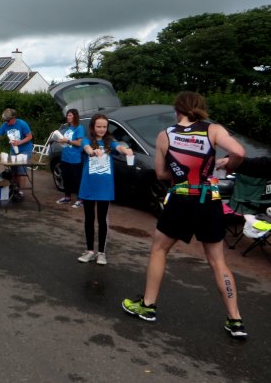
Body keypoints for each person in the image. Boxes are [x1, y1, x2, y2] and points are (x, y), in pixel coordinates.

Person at [122, 91, 248, 339]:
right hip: (208, 198)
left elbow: (160, 174)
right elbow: (240, 153)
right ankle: (236, 320)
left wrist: (179, 172)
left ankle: (148, 306)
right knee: (218, 261)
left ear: (176, 110)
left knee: (159, 249)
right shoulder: (213, 130)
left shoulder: (165, 135)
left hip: (181, 197)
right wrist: (226, 164)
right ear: (201, 108)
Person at [77, 113, 133, 265]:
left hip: (105, 187)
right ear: (93, 127)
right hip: (88, 185)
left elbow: (119, 147)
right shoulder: (87, 140)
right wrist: (93, 151)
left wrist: (126, 150)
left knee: (102, 220)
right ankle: (89, 251)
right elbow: (87, 148)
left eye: (104, 126)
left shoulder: (110, 142)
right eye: (98, 126)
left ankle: (101, 252)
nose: (101, 129)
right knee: (89, 219)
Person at [0, 108, 33, 194]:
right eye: (5, 121)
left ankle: (20, 192)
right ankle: (14, 188)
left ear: (13, 118)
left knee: (21, 171)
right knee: (13, 171)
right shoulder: (5, 125)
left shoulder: (22, 124)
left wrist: (19, 142)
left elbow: (29, 137)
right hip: (13, 150)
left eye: (8, 121)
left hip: (25, 150)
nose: (7, 122)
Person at [56, 109, 85, 208]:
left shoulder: (79, 128)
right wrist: (61, 141)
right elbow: (66, 141)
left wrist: (67, 141)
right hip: (65, 157)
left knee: (77, 180)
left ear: (75, 116)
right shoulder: (68, 128)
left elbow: (79, 143)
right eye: (67, 115)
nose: (68, 117)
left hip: (75, 159)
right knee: (66, 178)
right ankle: (67, 197)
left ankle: (80, 199)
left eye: (70, 115)